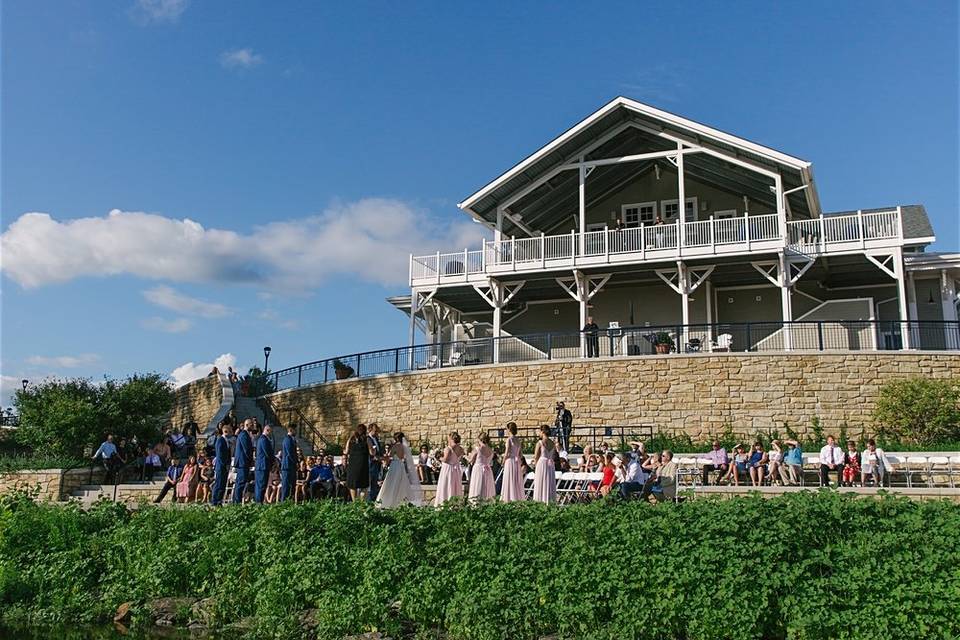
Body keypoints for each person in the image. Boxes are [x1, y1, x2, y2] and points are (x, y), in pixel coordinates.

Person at [376, 432, 423, 508]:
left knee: (391, 482)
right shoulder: (404, 446)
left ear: (396, 438)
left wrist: (383, 457)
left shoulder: (395, 446)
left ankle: (390, 500)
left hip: (394, 465)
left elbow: (390, 456)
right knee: (401, 482)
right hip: (401, 465)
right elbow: (403, 457)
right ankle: (402, 500)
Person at [434, 432, 466, 506]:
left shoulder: (448, 448)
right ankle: (455, 503)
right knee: (455, 486)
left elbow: (445, 460)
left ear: (451, 438)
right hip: (456, 470)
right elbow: (460, 458)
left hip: (448, 469)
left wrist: (438, 457)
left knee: (446, 485)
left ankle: (444, 502)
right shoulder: (461, 449)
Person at [532, 425, 557, 504]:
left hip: (542, 464)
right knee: (549, 482)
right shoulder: (552, 443)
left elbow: (536, 456)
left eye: (539, 431)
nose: (539, 433)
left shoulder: (540, 443)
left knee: (541, 482)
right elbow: (553, 455)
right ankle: (549, 500)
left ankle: (540, 501)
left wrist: (536, 466)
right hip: (550, 465)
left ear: (542, 432)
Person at [345, 424, 370, 501]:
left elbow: (346, 451)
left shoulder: (351, 439)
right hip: (362, 464)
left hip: (352, 464)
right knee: (363, 485)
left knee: (353, 485)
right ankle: (362, 505)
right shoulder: (367, 439)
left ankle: (354, 502)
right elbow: (372, 452)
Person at [467, 434, 496, 501]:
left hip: (478, 470)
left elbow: (471, 460)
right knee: (486, 487)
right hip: (488, 470)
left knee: (477, 486)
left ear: (480, 439)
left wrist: (465, 457)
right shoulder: (491, 451)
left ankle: (476, 503)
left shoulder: (478, 449)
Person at [500, 422, 524, 502]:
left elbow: (507, 453)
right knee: (516, 479)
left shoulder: (509, 439)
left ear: (509, 429)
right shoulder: (518, 440)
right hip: (516, 462)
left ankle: (508, 497)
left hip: (510, 461)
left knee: (509, 478)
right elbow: (520, 454)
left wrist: (503, 461)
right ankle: (516, 497)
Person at [232, 420, 253, 504]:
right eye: (251, 425)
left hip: (243, 462)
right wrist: (251, 460)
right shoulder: (244, 435)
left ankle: (236, 500)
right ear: (247, 425)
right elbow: (246, 449)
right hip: (242, 462)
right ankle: (236, 501)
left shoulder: (245, 435)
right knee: (240, 482)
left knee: (240, 482)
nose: (253, 426)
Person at [210, 424, 231, 506]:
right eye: (229, 431)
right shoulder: (220, 440)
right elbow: (220, 454)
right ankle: (215, 501)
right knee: (218, 483)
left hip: (225, 466)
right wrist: (224, 464)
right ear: (225, 431)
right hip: (221, 466)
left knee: (222, 484)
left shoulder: (226, 441)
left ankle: (219, 500)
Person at [253, 424, 274, 504]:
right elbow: (267, 452)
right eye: (270, 432)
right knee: (261, 485)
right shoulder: (263, 440)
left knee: (262, 485)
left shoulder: (263, 439)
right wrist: (273, 461)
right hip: (262, 466)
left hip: (263, 466)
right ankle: (258, 502)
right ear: (267, 430)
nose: (271, 434)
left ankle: (259, 501)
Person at [279, 425, 298, 501]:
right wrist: (295, 462)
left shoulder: (292, 440)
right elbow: (290, 453)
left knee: (291, 486)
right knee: (286, 486)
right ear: (291, 430)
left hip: (291, 467)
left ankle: (290, 500)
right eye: (295, 430)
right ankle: (283, 502)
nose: (296, 432)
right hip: (287, 466)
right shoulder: (287, 440)